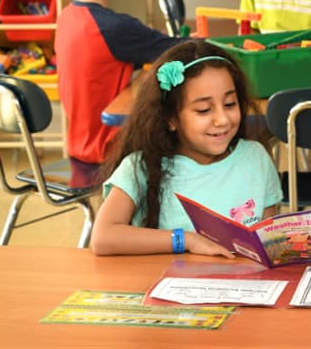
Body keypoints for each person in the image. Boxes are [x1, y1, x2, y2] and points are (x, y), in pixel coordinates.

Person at [90, 41, 283, 256]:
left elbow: (268, 242)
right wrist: (187, 240)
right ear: (171, 118)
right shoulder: (141, 167)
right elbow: (102, 238)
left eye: (229, 104)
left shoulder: (255, 157)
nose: (222, 119)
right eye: (204, 110)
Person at [56, 0, 186, 187]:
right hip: (112, 149)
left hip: (78, 146)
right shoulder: (114, 28)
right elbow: (182, 50)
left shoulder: (67, 18)